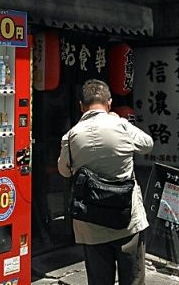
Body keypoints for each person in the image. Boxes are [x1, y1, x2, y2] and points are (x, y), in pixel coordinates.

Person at [58, 79, 154, 285]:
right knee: (134, 279)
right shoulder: (120, 125)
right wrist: (121, 121)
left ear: (81, 106)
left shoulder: (71, 136)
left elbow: (64, 171)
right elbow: (147, 144)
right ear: (109, 103)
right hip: (127, 218)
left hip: (91, 224)